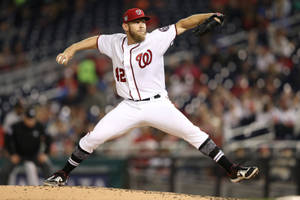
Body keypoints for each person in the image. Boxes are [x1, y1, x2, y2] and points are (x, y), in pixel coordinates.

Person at [44, 8, 258, 186]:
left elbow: (183, 24)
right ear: (125, 26)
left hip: (157, 104)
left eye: (143, 21)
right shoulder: (114, 42)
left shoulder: (156, 38)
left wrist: (209, 15)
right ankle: (62, 174)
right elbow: (95, 40)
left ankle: (233, 170)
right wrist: (72, 49)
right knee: (94, 137)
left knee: (194, 133)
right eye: (136, 22)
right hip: (128, 106)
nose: (142, 25)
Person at [0, 107, 53, 185]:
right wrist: (12, 154)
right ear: (24, 117)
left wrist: (45, 153)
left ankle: (51, 189)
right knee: (4, 170)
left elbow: (49, 139)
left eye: (32, 118)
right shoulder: (16, 126)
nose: (30, 121)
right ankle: (2, 190)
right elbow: (7, 141)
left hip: (35, 155)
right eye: (28, 118)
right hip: (19, 155)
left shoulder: (40, 126)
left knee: (48, 166)